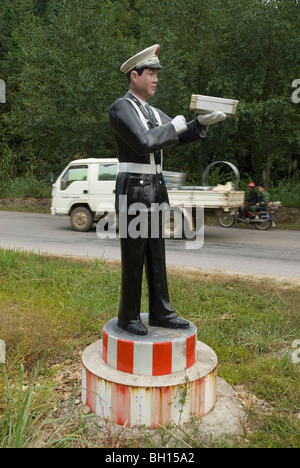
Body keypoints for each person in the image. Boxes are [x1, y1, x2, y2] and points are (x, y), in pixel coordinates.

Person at [108, 44, 226, 335]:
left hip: (156, 187)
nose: (156, 79)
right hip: (134, 188)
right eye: (150, 72)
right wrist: (173, 127)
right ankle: (128, 316)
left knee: (156, 251)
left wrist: (199, 124)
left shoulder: (152, 111)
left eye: (157, 73)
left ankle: (161, 311)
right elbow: (144, 142)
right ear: (134, 75)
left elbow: (176, 134)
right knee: (134, 255)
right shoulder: (121, 108)